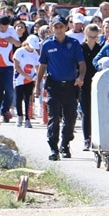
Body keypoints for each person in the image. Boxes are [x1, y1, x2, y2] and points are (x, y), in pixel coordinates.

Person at [35, 16, 86, 161]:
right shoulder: (47, 45)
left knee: (70, 118)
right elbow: (42, 66)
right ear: (52, 28)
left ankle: (65, 144)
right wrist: (37, 86)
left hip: (70, 86)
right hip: (53, 86)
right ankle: (53, 148)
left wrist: (81, 77)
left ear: (65, 27)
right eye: (55, 27)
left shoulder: (74, 43)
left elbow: (81, 63)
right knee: (54, 117)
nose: (58, 30)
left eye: (61, 27)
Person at [80, 24, 103, 150]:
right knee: (86, 112)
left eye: (95, 37)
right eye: (90, 36)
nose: (92, 39)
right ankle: (86, 139)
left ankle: (96, 137)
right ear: (86, 35)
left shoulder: (100, 48)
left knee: (97, 112)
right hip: (84, 83)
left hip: (98, 83)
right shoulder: (81, 48)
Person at [13, 35, 42, 128]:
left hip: (30, 79)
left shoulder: (35, 54)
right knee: (19, 98)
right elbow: (16, 66)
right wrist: (25, 75)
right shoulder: (19, 51)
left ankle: (27, 118)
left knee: (28, 99)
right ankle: (19, 116)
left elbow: (37, 67)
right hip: (19, 78)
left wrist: (36, 77)